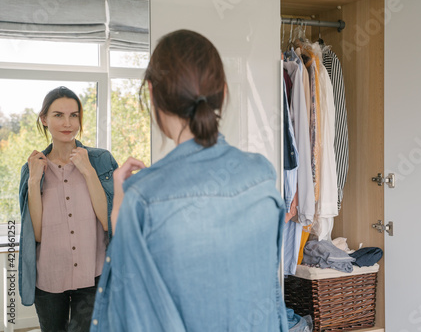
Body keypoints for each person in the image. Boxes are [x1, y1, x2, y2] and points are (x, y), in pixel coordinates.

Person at [90, 29, 288, 331]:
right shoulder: (262, 175)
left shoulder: (144, 197)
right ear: (222, 91)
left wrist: (122, 211)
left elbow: (130, 314)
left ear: (153, 93)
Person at [18, 86, 118, 332]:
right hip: (49, 278)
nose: (68, 123)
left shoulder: (101, 160)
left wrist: (88, 171)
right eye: (58, 115)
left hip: (93, 275)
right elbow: (38, 234)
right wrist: (33, 181)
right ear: (44, 119)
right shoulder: (31, 169)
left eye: (74, 115)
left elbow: (110, 222)